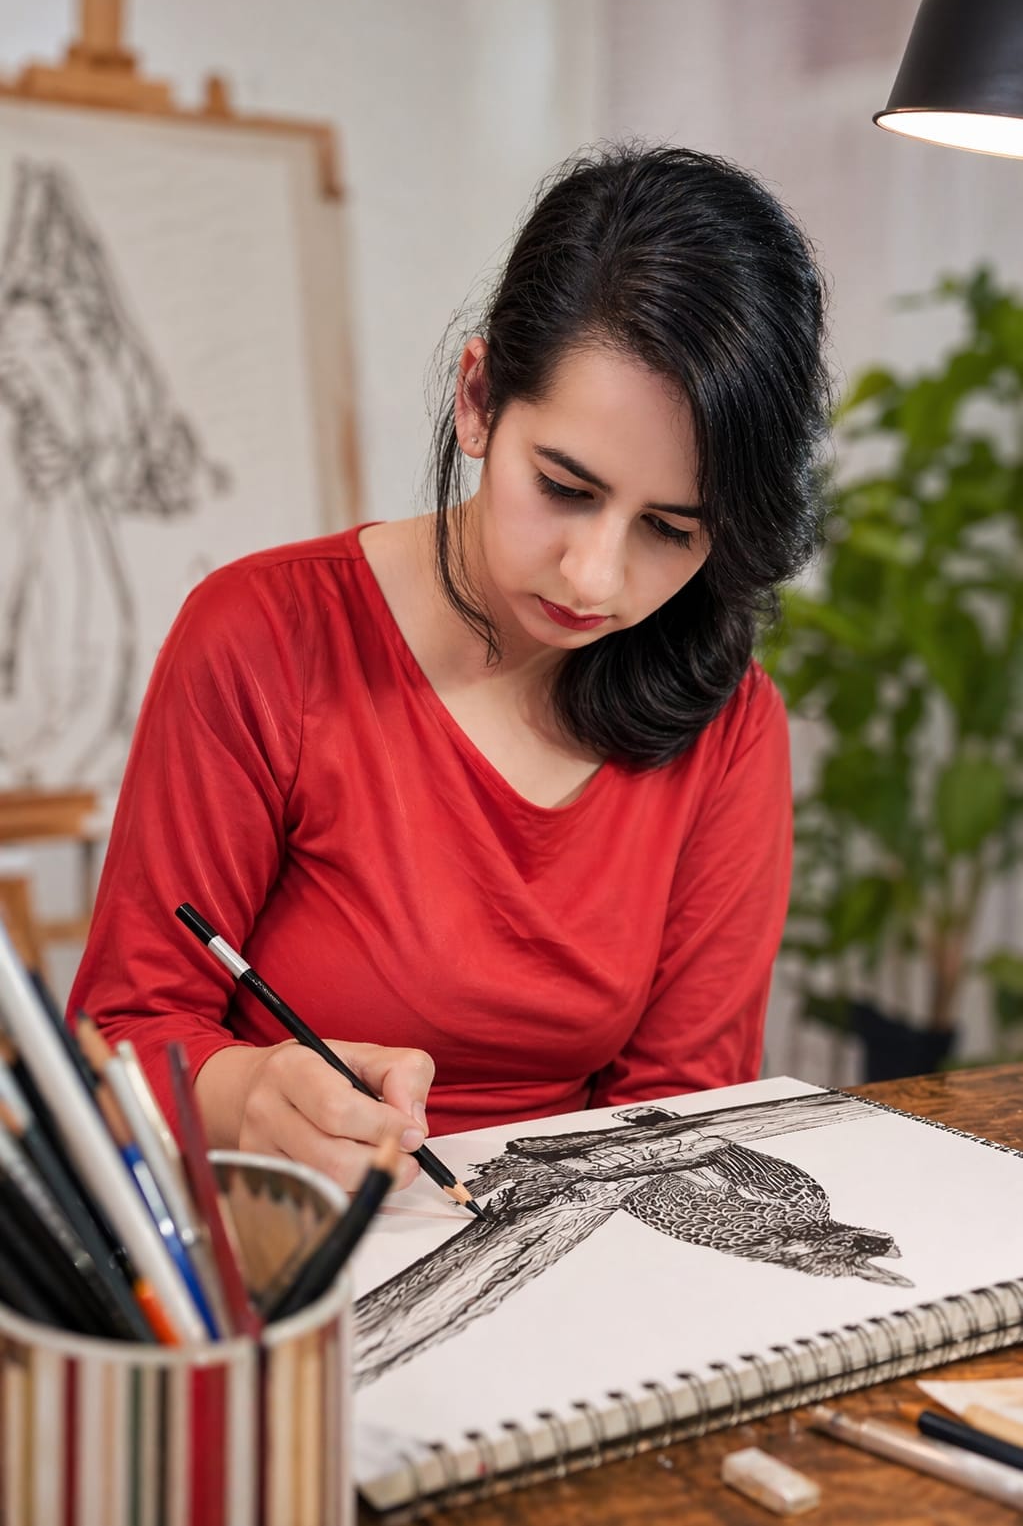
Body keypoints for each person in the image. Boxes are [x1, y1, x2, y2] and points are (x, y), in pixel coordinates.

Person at [70, 143, 830, 1197]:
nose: (595, 575)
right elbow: (118, 1033)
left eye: (669, 529)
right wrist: (246, 1090)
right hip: (274, 1255)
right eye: (564, 487)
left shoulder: (730, 727)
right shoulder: (262, 638)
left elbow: (679, 1113)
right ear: (478, 400)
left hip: (569, 1282)